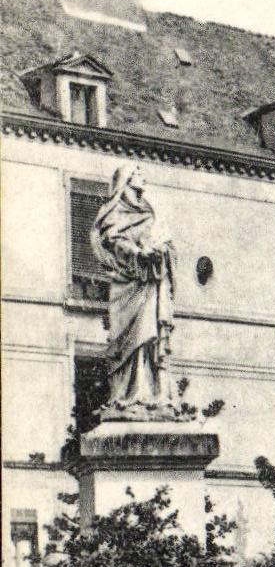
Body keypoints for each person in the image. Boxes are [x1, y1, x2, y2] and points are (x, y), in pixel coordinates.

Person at [91, 162, 176, 409]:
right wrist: (137, 253)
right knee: (128, 339)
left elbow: (160, 241)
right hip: (125, 284)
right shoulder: (114, 211)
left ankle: (147, 389)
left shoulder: (148, 212)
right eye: (138, 174)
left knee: (148, 335)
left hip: (148, 282)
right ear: (126, 180)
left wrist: (162, 250)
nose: (143, 178)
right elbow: (113, 240)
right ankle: (129, 392)